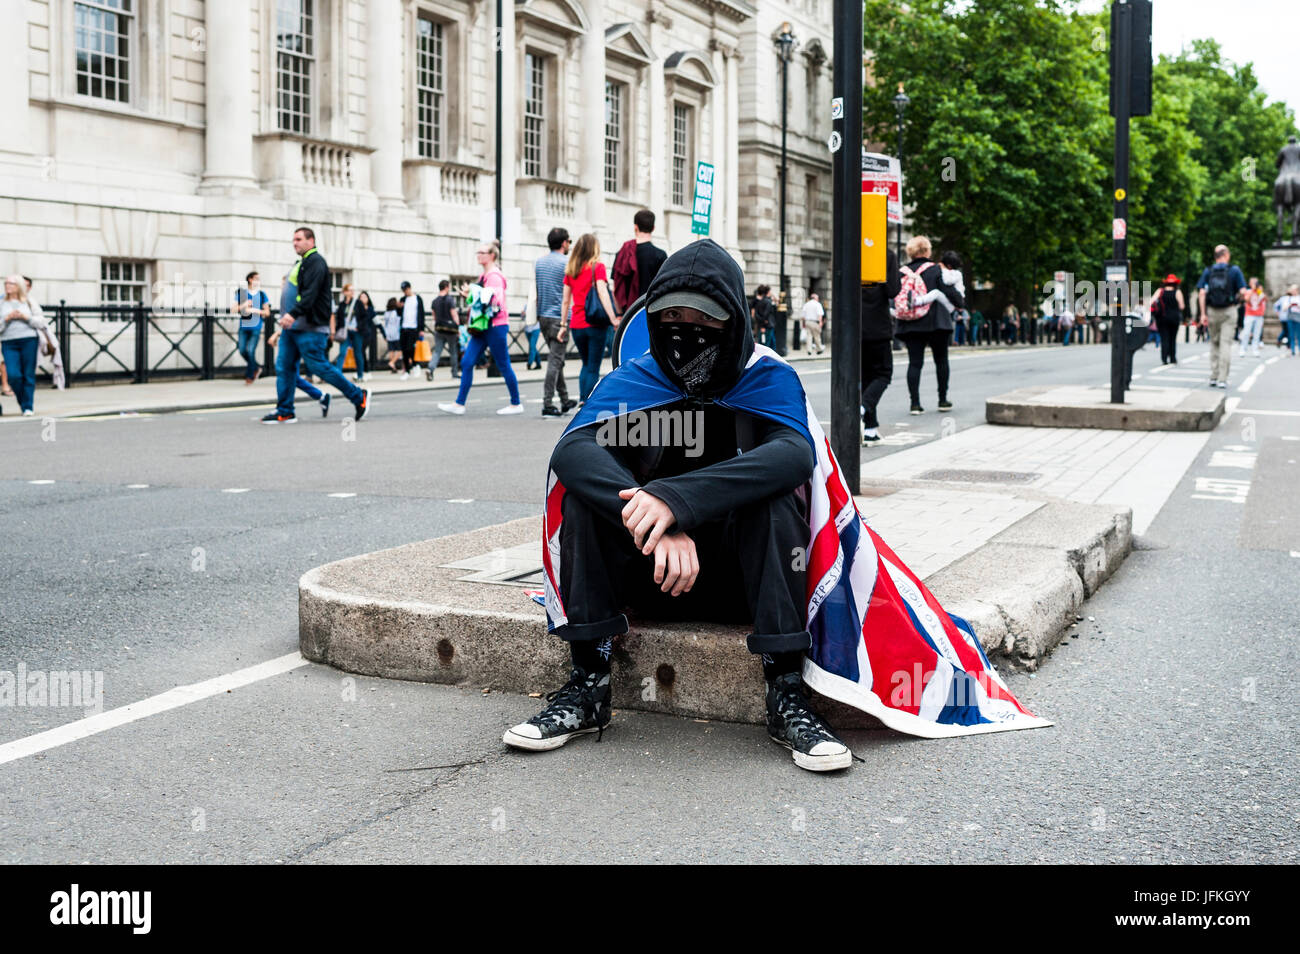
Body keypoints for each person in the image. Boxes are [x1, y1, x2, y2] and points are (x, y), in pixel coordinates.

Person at [503, 238, 1049, 770]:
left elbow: (793, 455)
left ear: (735, 320)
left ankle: (786, 692)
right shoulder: (638, 378)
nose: (685, 334)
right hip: (654, 574)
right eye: (672, 318)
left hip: (750, 582)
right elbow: (573, 448)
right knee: (583, 498)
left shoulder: (766, 378)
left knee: (774, 499)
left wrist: (677, 499)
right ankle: (588, 685)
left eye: (704, 321)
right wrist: (656, 517)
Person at [262, 227, 370, 424]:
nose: (294, 243)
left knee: (318, 367)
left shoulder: (316, 262)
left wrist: (292, 314)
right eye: (293, 239)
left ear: (311, 241)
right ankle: (285, 410)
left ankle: (358, 395)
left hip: (309, 328)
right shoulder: (302, 263)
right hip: (292, 328)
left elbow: (310, 294)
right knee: (284, 368)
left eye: (299, 239)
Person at [438, 239, 523, 415]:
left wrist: (474, 293)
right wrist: (471, 293)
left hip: (495, 325)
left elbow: (495, 300)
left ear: (492, 255)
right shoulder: (484, 276)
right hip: (481, 326)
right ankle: (459, 404)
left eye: (482, 252)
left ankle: (516, 403)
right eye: (478, 252)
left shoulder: (494, 276)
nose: (479, 255)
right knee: (467, 362)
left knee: (503, 364)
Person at [894, 236, 962, 414]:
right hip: (936, 323)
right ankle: (942, 400)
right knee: (941, 361)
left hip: (911, 323)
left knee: (914, 363)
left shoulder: (902, 271)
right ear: (926, 251)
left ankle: (915, 403)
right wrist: (960, 303)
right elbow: (949, 291)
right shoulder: (935, 270)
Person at [558, 233, 616, 403]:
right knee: (593, 367)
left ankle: (583, 400)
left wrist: (563, 325)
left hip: (576, 325)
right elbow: (602, 292)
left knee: (585, 364)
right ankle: (586, 401)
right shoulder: (597, 267)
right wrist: (613, 318)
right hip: (595, 324)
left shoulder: (571, 271)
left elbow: (565, 301)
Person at [861, 249, 902, 445]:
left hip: (852, 327)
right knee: (883, 373)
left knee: (866, 377)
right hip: (877, 326)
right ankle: (861, 408)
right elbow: (893, 290)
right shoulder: (885, 254)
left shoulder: (850, 247)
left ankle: (870, 430)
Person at [535, 227, 577, 417]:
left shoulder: (540, 263)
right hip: (560, 318)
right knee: (555, 361)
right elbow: (570, 292)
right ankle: (548, 403)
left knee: (556, 359)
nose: (569, 244)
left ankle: (565, 399)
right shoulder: (567, 263)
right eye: (569, 241)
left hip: (543, 315)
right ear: (563, 243)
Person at [1196, 244, 1247, 388]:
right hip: (1229, 311)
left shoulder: (1208, 271)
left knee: (1214, 343)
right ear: (1226, 255)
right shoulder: (1234, 270)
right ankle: (1222, 379)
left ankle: (1214, 375)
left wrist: (1203, 314)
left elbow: (1201, 293)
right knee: (1226, 344)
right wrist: (1240, 299)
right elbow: (1243, 291)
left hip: (1212, 311)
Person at [1, 274, 49, 416]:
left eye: (11, 283)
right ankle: (23, 401)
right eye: (6, 283)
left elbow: (41, 321)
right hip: (8, 342)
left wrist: (25, 317)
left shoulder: (29, 301)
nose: (7, 285)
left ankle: (28, 406)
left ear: (19, 286)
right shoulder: (1, 302)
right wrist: (7, 318)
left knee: (28, 374)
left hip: (28, 340)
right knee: (13, 375)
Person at [611, 209, 667, 319]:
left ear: (635, 227)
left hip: (627, 315)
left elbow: (615, 288)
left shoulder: (622, 253)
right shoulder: (660, 255)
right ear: (653, 228)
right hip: (650, 315)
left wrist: (619, 314)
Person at [231, 271, 270, 384]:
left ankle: (249, 376)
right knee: (242, 350)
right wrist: (244, 305)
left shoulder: (262, 294)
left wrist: (255, 310)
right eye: (256, 278)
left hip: (256, 327)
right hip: (244, 326)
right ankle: (256, 368)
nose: (258, 281)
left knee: (250, 350)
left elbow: (267, 312)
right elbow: (233, 309)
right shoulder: (242, 293)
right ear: (250, 279)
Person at [332, 284, 371, 382]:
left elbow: (364, 317)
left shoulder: (358, 303)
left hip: (356, 331)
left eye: (353, 290)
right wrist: (337, 330)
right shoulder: (342, 304)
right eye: (350, 290)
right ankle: (338, 375)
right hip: (345, 331)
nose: (352, 292)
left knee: (358, 353)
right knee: (342, 352)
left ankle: (360, 375)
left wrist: (359, 327)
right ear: (345, 292)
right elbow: (339, 318)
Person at [427, 280, 462, 381]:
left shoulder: (434, 301)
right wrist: (458, 327)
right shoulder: (450, 300)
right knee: (453, 351)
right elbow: (454, 314)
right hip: (450, 329)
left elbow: (434, 316)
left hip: (439, 328)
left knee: (437, 351)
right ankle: (454, 373)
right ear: (446, 287)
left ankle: (431, 369)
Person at [1150, 273, 1185, 365]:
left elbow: (1151, 301)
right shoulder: (1178, 292)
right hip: (1174, 318)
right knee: (1172, 338)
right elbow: (1182, 306)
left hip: (1162, 318)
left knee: (1164, 338)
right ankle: (1172, 358)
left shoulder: (1160, 291)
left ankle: (1164, 358)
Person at [396, 280, 426, 380]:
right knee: (404, 350)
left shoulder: (417, 299)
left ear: (410, 288)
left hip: (414, 328)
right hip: (404, 327)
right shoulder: (403, 299)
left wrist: (421, 329)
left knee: (411, 349)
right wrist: (398, 308)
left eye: (406, 289)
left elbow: (421, 314)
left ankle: (416, 365)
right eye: (403, 290)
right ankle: (407, 371)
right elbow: (399, 314)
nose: (405, 292)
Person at [1239, 277, 1268, 357]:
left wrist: (1258, 290)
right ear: (1250, 284)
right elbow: (1247, 300)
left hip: (1259, 315)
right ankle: (1243, 349)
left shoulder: (1259, 291)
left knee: (1257, 333)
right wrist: (1253, 290)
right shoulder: (1248, 291)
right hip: (1249, 315)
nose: (1255, 284)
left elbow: (1265, 299)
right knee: (1246, 332)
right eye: (1253, 282)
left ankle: (1255, 349)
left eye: (1256, 282)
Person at [1275, 284, 1300, 356]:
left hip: (1298, 317)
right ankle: (1292, 350)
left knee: (1299, 335)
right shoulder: (1288, 299)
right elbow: (1283, 309)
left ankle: (1299, 349)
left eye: (1294, 290)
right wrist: (1290, 305)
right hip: (1290, 317)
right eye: (1292, 290)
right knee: (1291, 334)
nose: (1293, 292)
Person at [381, 297, 402, 372]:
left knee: (391, 350)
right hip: (396, 333)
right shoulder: (396, 312)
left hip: (388, 333)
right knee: (400, 350)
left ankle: (393, 367)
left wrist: (385, 335)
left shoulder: (386, 313)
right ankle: (392, 362)